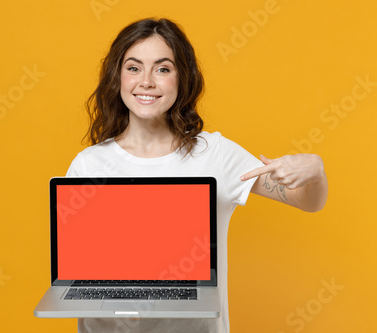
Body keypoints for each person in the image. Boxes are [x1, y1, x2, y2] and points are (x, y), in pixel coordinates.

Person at [66, 17, 328, 333]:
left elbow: (307, 202)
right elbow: (80, 267)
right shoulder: (88, 165)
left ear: (182, 78)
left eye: (163, 69)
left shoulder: (216, 154)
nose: (146, 81)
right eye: (134, 68)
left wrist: (315, 170)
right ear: (117, 77)